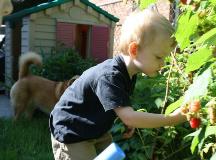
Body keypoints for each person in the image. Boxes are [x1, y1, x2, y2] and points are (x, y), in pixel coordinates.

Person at [49, 9, 187, 160]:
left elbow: (119, 104)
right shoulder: (110, 76)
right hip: (72, 130)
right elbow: (129, 117)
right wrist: (172, 118)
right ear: (134, 50)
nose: (163, 63)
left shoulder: (128, 73)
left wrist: (127, 116)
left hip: (95, 129)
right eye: (159, 57)